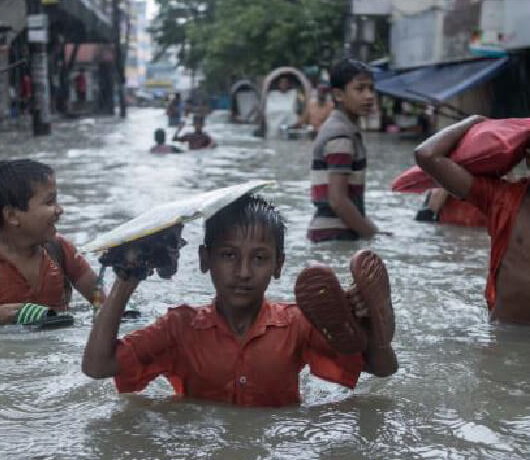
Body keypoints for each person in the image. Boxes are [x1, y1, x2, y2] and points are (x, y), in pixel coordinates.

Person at [82, 194, 397, 407]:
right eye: (228, 256)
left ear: (278, 265)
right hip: (204, 452)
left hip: (276, 449)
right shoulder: (179, 328)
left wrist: (370, 327)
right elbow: (97, 367)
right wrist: (126, 281)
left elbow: (382, 369)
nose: (243, 272)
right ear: (206, 260)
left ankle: (370, 317)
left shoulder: (297, 323)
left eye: (259, 258)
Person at [0, 159, 103, 324]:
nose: (59, 210)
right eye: (49, 202)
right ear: (12, 216)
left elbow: (103, 303)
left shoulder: (61, 250)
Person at [414, 115, 530, 324]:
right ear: (528, 158)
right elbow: (426, 155)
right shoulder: (501, 198)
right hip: (505, 335)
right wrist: (472, 122)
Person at [308, 59, 382, 242]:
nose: (369, 96)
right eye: (360, 89)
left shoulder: (341, 129)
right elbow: (338, 201)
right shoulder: (341, 136)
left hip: (330, 233)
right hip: (336, 235)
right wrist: (372, 234)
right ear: (339, 95)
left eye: (371, 89)